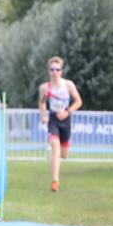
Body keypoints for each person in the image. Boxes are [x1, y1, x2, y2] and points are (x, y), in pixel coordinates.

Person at [38, 56, 82, 192]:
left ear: (61, 71)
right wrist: (44, 115)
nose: (54, 72)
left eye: (57, 69)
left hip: (66, 120)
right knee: (55, 147)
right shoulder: (45, 87)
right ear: (49, 71)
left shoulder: (68, 85)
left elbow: (78, 101)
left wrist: (67, 112)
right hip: (53, 119)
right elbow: (42, 102)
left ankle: (63, 154)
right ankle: (55, 181)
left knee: (63, 154)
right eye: (52, 69)